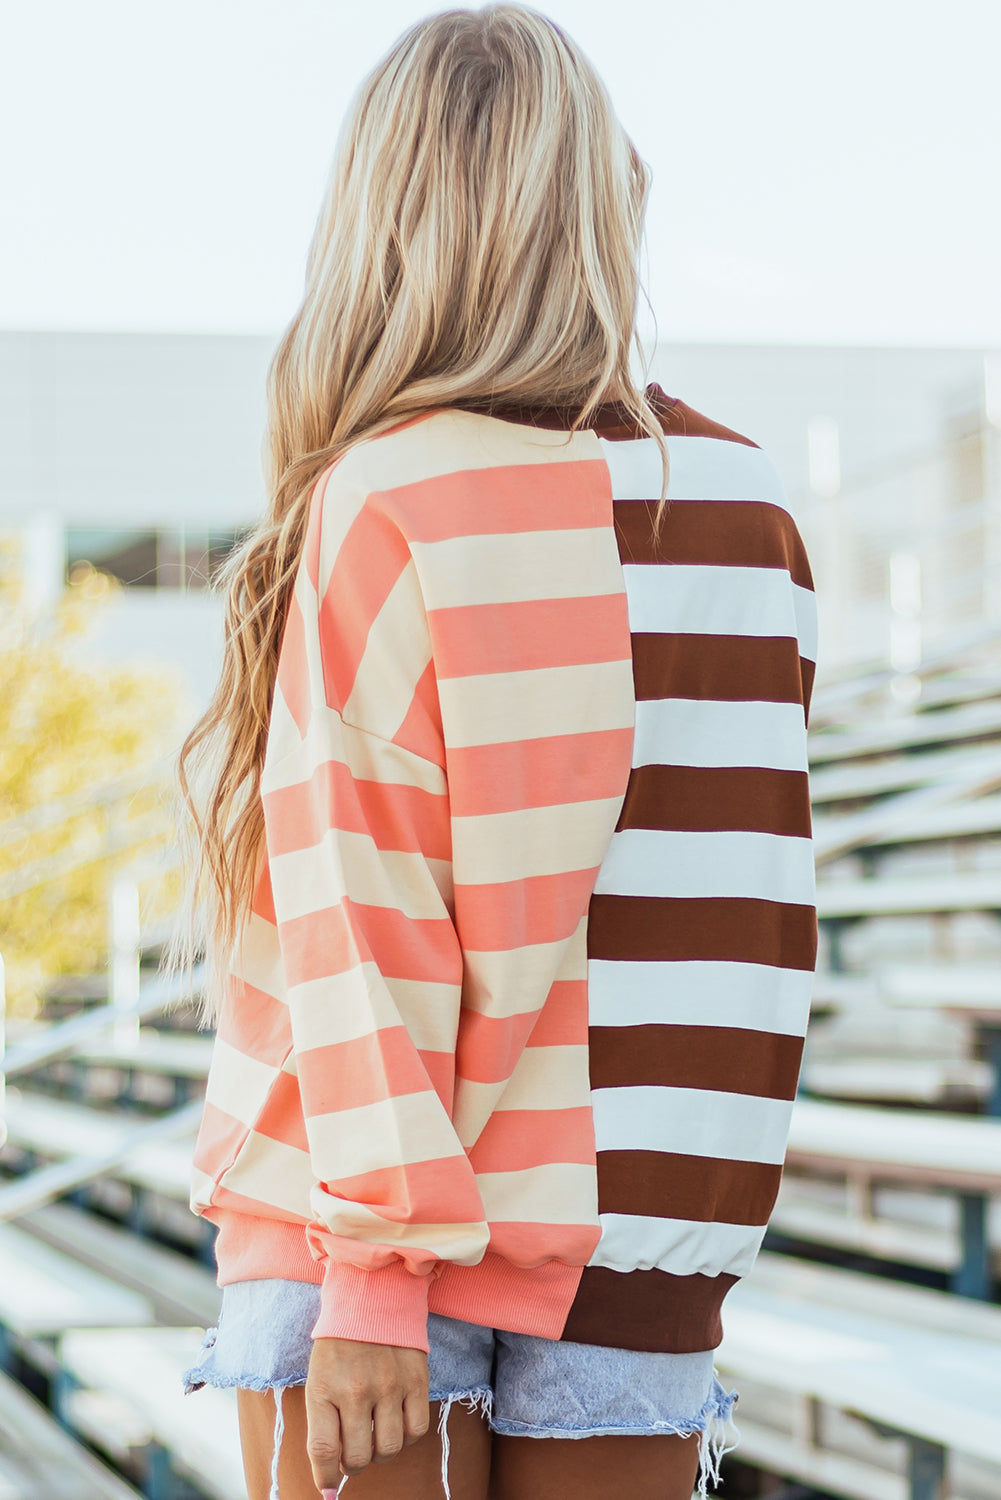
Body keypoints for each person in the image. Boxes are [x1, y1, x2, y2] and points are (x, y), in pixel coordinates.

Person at [174, 6, 818, 1499]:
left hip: (363, 1240)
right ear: (598, 197)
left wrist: (379, 1274)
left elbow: (362, 906)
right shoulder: (746, 505)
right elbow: (746, 916)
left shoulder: (386, 495)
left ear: (386, 221)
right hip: (645, 1236)